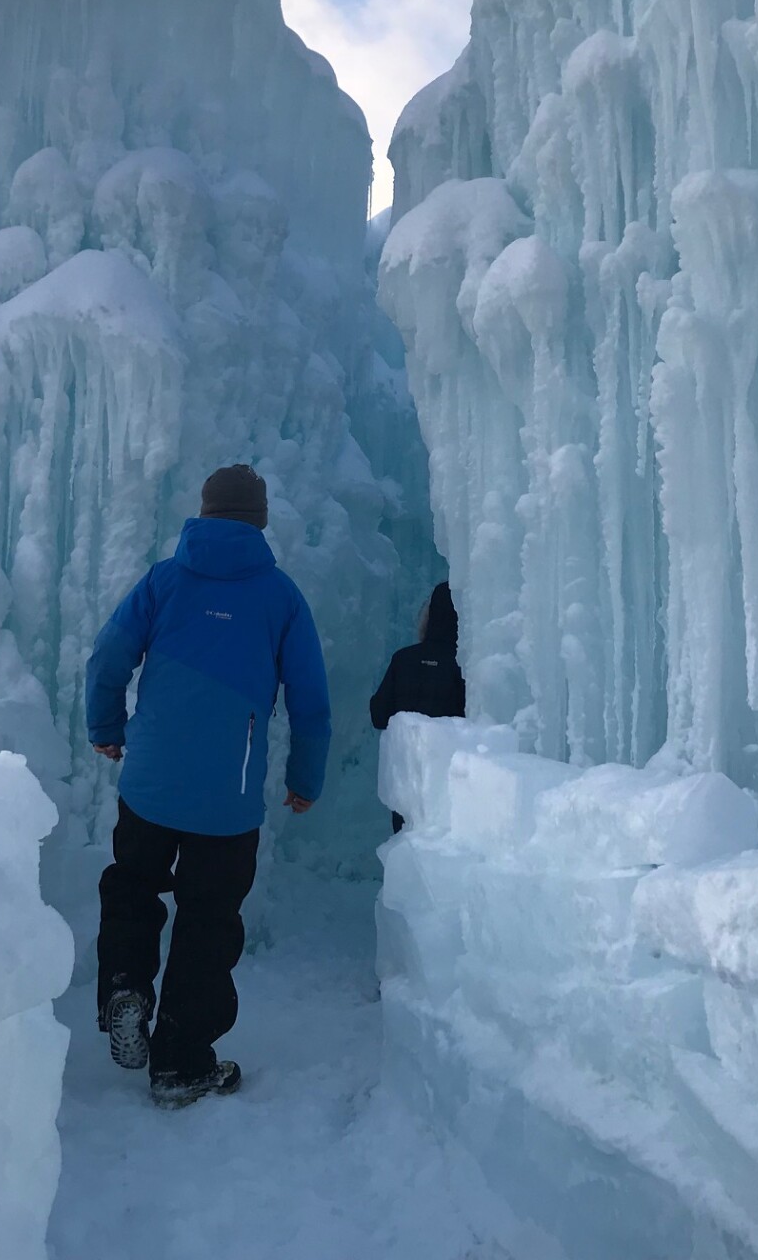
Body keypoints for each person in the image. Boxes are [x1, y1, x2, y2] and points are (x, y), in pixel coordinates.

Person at [85, 464, 331, 1109]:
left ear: (205, 511)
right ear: (261, 520)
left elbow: (108, 658)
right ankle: (181, 1063)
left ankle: (124, 989)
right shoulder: (281, 596)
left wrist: (106, 727)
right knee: (207, 920)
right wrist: (305, 778)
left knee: (133, 887)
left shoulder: (164, 580)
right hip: (228, 797)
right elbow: (310, 702)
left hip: (150, 782)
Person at [369, 581, 466, 832]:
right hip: (449, 780)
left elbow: (378, 715)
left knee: (405, 843)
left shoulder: (403, 659)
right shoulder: (463, 666)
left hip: (407, 776)